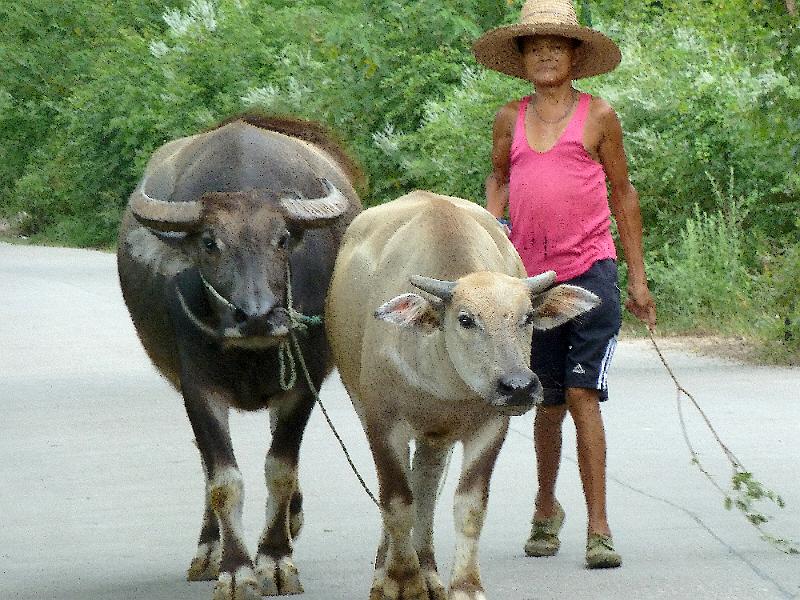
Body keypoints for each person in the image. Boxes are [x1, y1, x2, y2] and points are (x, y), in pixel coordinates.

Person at [473, 0, 657, 569]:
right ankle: (546, 506)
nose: (545, 53)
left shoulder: (599, 115)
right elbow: (499, 176)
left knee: (581, 394)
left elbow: (624, 194)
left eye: (556, 44)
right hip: (531, 284)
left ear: (576, 55)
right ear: (522, 57)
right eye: (533, 45)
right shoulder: (510, 116)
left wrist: (639, 279)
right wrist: (494, 231)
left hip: (591, 271)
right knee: (546, 400)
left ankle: (598, 526)